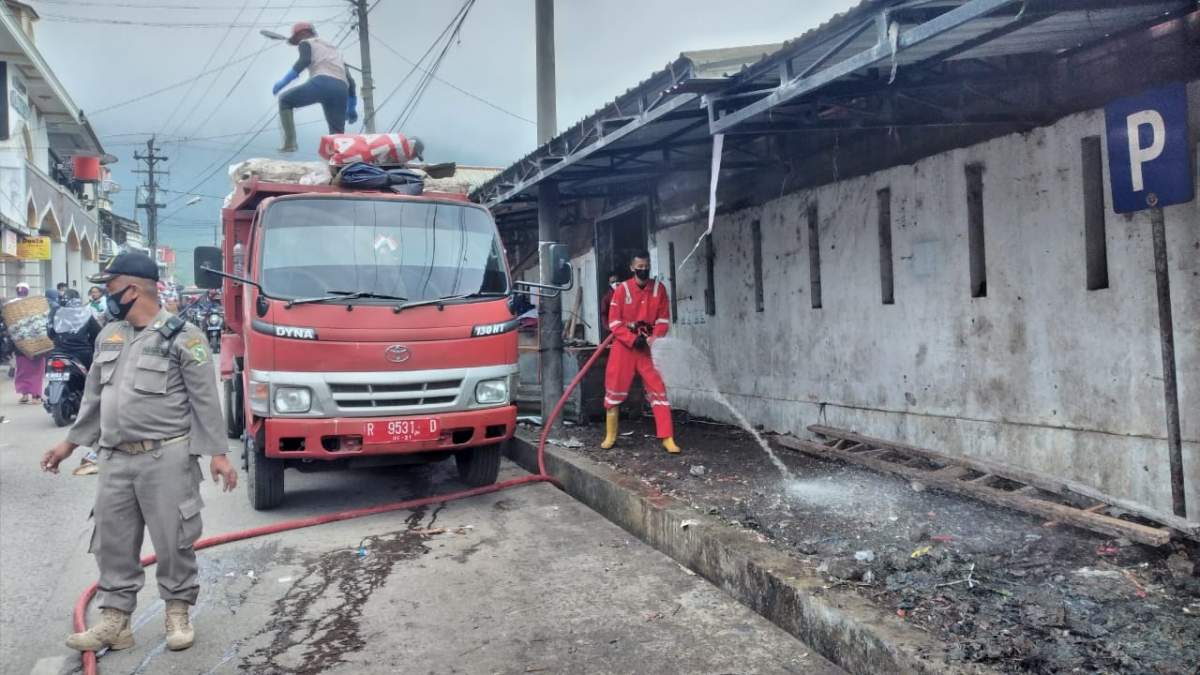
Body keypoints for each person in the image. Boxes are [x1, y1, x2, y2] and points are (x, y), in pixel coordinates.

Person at [40, 251, 238, 654]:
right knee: (112, 541)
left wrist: (218, 453)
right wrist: (69, 444)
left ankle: (177, 611)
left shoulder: (185, 338)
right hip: (113, 457)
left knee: (173, 540)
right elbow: (93, 399)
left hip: (165, 457)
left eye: (110, 287)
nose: (105, 295)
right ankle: (116, 620)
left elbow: (205, 402)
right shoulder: (108, 335)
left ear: (132, 288)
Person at [601, 251, 681, 454]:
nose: (643, 270)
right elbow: (614, 322)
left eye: (646, 266)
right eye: (640, 267)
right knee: (614, 389)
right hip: (624, 347)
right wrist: (630, 338)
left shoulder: (659, 290)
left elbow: (663, 319)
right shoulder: (621, 291)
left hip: (648, 348)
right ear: (631, 267)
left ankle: (667, 437)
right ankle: (610, 435)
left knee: (658, 389)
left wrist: (655, 338)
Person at [272, 21, 358, 152]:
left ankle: (290, 144)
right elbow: (351, 82)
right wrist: (351, 108)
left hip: (322, 82)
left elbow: (304, 60)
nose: (298, 42)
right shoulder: (335, 52)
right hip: (341, 89)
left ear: (304, 33)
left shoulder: (306, 42)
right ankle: (339, 164)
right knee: (337, 135)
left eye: (297, 38)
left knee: (285, 100)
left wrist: (284, 81)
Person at [9, 283, 45, 404]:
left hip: (20, 345)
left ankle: (24, 394)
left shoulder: (11, 307)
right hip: (37, 344)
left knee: (22, 370)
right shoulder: (35, 305)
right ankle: (35, 396)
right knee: (36, 370)